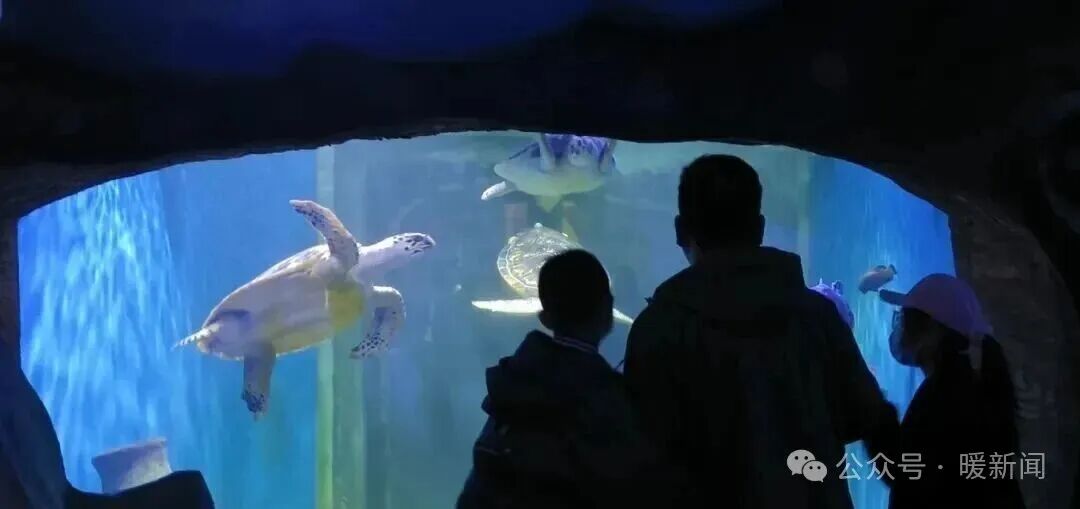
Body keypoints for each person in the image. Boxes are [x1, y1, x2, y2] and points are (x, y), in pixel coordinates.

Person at [623, 154, 897, 509]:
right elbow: (866, 417)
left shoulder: (658, 329)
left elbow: (639, 455)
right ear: (760, 227)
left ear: (680, 230)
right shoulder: (817, 317)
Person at [457, 249, 676, 509]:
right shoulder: (609, 396)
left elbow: (481, 479)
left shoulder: (511, 383)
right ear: (608, 309)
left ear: (544, 317)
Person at [877, 274, 1025, 509]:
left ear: (933, 330)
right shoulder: (969, 385)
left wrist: (878, 420)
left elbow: (909, 476)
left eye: (905, 318)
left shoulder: (943, 396)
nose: (900, 326)